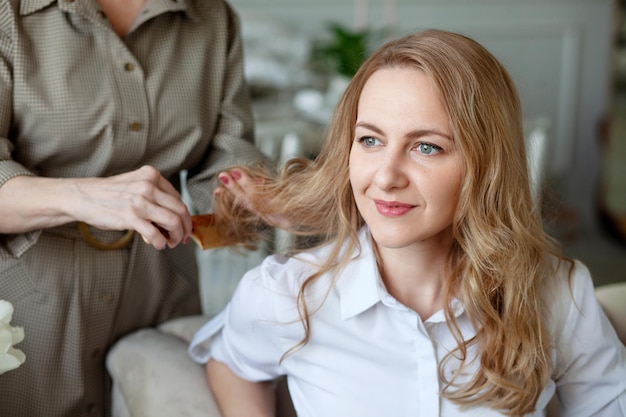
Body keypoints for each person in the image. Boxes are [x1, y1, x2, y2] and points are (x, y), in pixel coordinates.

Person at [189, 29, 626, 416]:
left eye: (426, 148)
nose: (385, 176)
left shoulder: (559, 294)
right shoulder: (287, 295)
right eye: (370, 140)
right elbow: (230, 363)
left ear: (486, 165)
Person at [0, 0, 270, 415]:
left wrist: (248, 198)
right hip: (26, 311)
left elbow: (228, 155)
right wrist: (84, 196)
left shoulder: (213, 16)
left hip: (160, 287)